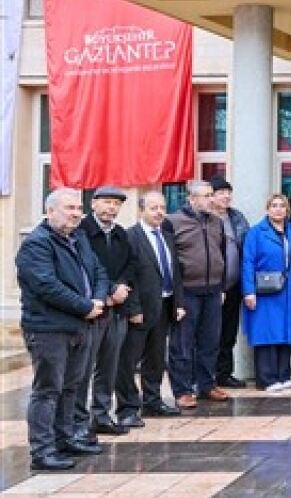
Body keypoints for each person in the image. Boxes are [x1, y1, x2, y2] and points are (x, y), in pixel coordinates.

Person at [18, 188, 109, 471]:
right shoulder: (36, 244)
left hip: (81, 325)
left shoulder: (78, 238)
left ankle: (65, 438)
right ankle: (42, 451)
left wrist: (97, 299)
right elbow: (47, 286)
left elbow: (99, 272)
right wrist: (85, 306)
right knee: (48, 390)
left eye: (78, 208)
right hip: (49, 328)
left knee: (71, 387)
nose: (76, 213)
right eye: (69, 208)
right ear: (50, 211)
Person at [118, 191, 185, 423]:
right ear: (141, 210)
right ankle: (127, 408)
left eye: (162, 207)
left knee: (156, 359)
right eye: (153, 208)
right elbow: (127, 276)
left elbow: (175, 272)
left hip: (164, 306)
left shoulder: (166, 235)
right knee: (129, 361)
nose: (159, 212)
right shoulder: (130, 237)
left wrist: (178, 303)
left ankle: (152, 401)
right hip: (140, 310)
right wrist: (133, 309)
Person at [76, 186, 134, 439]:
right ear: (93, 204)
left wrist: (121, 287)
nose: (112, 208)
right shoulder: (82, 233)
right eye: (107, 202)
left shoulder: (121, 234)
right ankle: (77, 421)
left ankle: (101, 414)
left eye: (116, 204)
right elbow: (86, 267)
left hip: (117, 308)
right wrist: (106, 293)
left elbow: (131, 264)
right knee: (83, 368)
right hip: (92, 308)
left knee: (109, 366)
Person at [242, 194, 291, 392]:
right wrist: (248, 291)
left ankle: (283, 374)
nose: (278, 209)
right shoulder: (256, 233)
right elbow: (247, 262)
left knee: (286, 332)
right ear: (267, 209)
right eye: (273, 206)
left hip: (290, 290)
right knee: (266, 334)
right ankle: (266, 379)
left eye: (282, 206)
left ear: (287, 210)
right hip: (265, 290)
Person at [167, 180, 229, 409]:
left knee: (210, 341)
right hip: (187, 292)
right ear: (191, 199)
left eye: (211, 195)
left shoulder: (216, 222)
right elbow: (171, 261)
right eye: (206, 195)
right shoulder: (173, 222)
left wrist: (221, 287)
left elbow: (221, 255)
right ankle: (182, 390)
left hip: (212, 290)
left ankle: (206, 384)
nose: (211, 199)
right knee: (182, 343)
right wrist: (177, 296)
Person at [209, 177, 250, 390]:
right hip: (210, 285)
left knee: (228, 332)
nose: (225, 196)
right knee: (209, 333)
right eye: (220, 192)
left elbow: (247, 247)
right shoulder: (204, 218)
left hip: (234, 285)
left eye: (228, 192)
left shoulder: (237, 217)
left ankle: (224, 373)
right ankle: (207, 376)